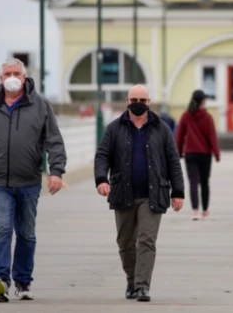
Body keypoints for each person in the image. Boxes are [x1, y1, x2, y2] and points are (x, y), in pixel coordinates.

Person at [0, 58, 66, 303]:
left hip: (28, 181)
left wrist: (56, 171)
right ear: (1, 79)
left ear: (24, 78)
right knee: (2, 229)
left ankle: (23, 281)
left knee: (26, 233)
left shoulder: (41, 106)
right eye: (7, 73)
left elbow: (54, 141)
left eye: (17, 73)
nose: (12, 77)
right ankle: (1, 279)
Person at [94, 84, 185, 303]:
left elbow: (173, 160)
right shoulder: (114, 128)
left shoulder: (161, 128)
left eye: (142, 101)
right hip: (122, 193)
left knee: (146, 240)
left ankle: (143, 286)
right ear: (126, 101)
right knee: (125, 242)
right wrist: (101, 179)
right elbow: (102, 155)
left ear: (148, 102)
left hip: (153, 195)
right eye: (133, 99)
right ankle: (132, 281)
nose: (137, 104)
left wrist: (178, 191)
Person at [175, 90, 220, 221]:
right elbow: (212, 136)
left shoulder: (186, 116)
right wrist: (216, 153)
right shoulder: (207, 117)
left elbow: (179, 135)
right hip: (205, 155)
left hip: (190, 154)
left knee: (193, 182)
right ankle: (205, 210)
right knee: (205, 182)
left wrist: (178, 152)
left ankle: (195, 211)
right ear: (202, 101)